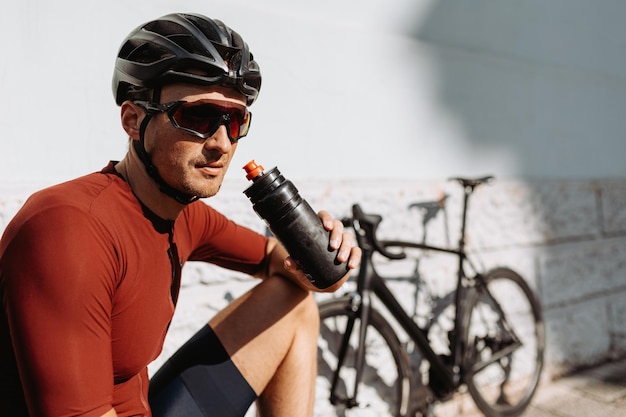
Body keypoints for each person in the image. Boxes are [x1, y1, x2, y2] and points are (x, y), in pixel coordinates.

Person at [0, 13, 360, 417]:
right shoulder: (68, 229)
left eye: (235, 120)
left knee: (292, 301)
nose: (221, 143)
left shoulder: (184, 217)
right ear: (133, 120)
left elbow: (283, 267)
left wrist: (325, 257)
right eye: (198, 117)